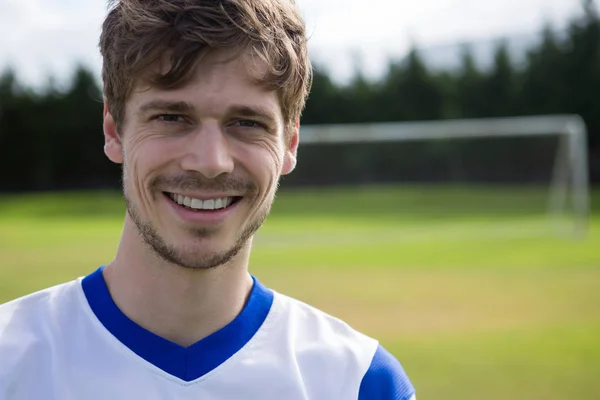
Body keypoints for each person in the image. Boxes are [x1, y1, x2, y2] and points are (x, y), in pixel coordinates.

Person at [0, 1, 416, 399]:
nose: (211, 162)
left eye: (247, 123)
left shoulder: (360, 383)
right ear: (114, 130)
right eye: (172, 117)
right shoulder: (10, 362)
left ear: (289, 144)